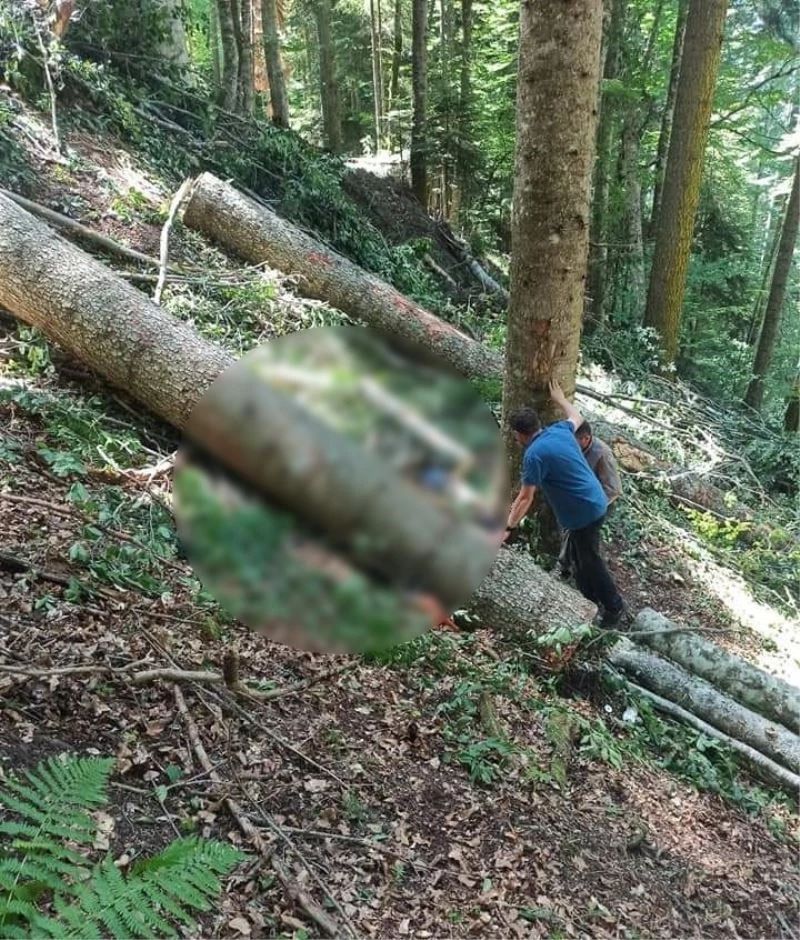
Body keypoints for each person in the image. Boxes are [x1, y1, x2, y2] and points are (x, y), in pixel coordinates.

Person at [503, 380, 625, 628]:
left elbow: (525, 497)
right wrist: (560, 398)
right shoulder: (560, 430)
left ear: (520, 434)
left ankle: (614, 608)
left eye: (515, 434)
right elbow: (577, 417)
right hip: (594, 501)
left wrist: (508, 528)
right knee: (581, 559)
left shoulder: (534, 455)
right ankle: (589, 602)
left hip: (584, 512)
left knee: (590, 562)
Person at [558, 421, 622, 579]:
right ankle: (569, 566)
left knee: (583, 536)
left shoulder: (602, 454)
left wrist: (590, 507)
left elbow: (613, 489)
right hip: (578, 498)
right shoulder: (573, 447)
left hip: (601, 501)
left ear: (586, 439)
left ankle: (570, 569)